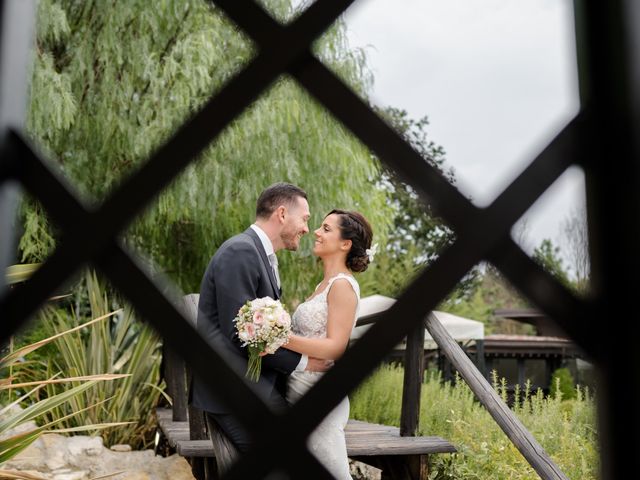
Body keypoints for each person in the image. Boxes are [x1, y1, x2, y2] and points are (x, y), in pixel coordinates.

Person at [189, 182, 331, 460]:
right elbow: (240, 335)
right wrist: (305, 363)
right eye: (304, 219)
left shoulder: (259, 254)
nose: (306, 228)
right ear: (281, 214)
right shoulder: (240, 252)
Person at [278, 209, 374, 480]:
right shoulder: (324, 284)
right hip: (298, 389)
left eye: (326, 229)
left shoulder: (342, 286)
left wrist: (280, 338)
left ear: (345, 244)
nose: (316, 233)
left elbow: (335, 348)